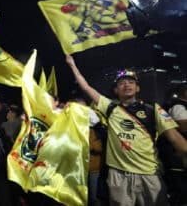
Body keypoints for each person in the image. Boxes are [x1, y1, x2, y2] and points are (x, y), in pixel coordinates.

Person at [66, 54, 187, 206]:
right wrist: (72, 65)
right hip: (119, 176)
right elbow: (86, 87)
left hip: (150, 174)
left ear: (137, 88)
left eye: (131, 82)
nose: (127, 85)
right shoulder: (110, 108)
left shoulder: (153, 109)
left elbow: (174, 137)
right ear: (116, 90)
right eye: (122, 83)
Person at [158, 84, 187, 206]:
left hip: (180, 154)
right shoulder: (178, 106)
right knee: (181, 192)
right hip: (178, 157)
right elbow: (183, 127)